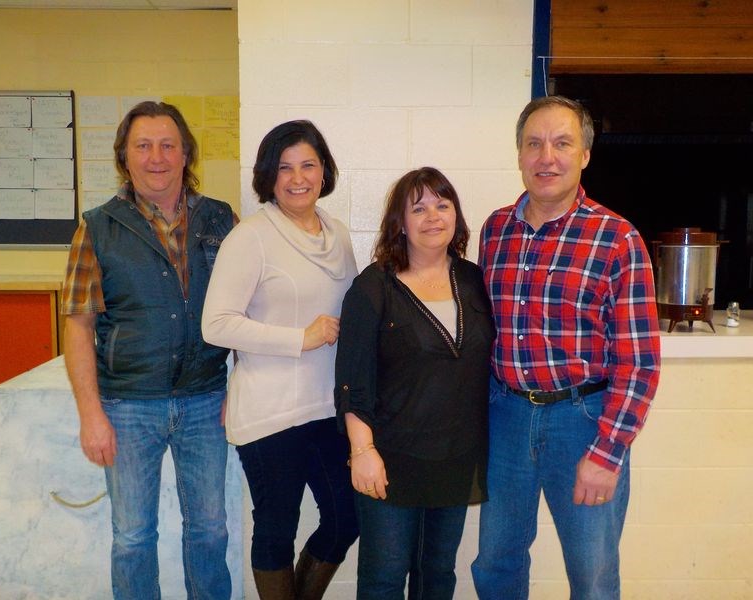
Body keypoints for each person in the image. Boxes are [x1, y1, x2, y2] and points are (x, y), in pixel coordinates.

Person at [471, 95, 661, 599]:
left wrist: (608, 451)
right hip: (506, 416)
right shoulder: (495, 231)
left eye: (561, 143)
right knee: (495, 562)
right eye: (533, 144)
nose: (546, 157)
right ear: (519, 154)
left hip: (583, 420)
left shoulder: (617, 238)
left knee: (592, 573)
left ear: (585, 155)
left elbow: (639, 362)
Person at [62, 101, 235, 600]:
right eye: (142, 145)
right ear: (125, 156)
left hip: (206, 401)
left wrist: (239, 385)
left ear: (185, 154)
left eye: (167, 145)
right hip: (127, 406)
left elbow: (245, 309)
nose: (155, 157)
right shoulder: (97, 227)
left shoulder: (220, 219)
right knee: (133, 537)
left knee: (210, 531)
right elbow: (77, 325)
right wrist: (90, 413)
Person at [201, 120, 359, 599]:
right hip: (270, 413)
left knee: (345, 518)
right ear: (269, 176)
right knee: (276, 529)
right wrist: (301, 338)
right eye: (284, 167)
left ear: (324, 170)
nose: (297, 177)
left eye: (308, 164)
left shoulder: (338, 233)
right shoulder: (250, 237)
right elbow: (216, 324)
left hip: (325, 409)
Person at [335, 167, 495, 599]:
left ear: (457, 217)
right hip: (390, 459)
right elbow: (352, 380)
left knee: (438, 574)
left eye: (443, 205)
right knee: (384, 576)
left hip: (456, 458)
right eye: (418, 208)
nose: (433, 217)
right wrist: (362, 450)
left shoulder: (475, 281)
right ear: (399, 223)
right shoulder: (373, 287)